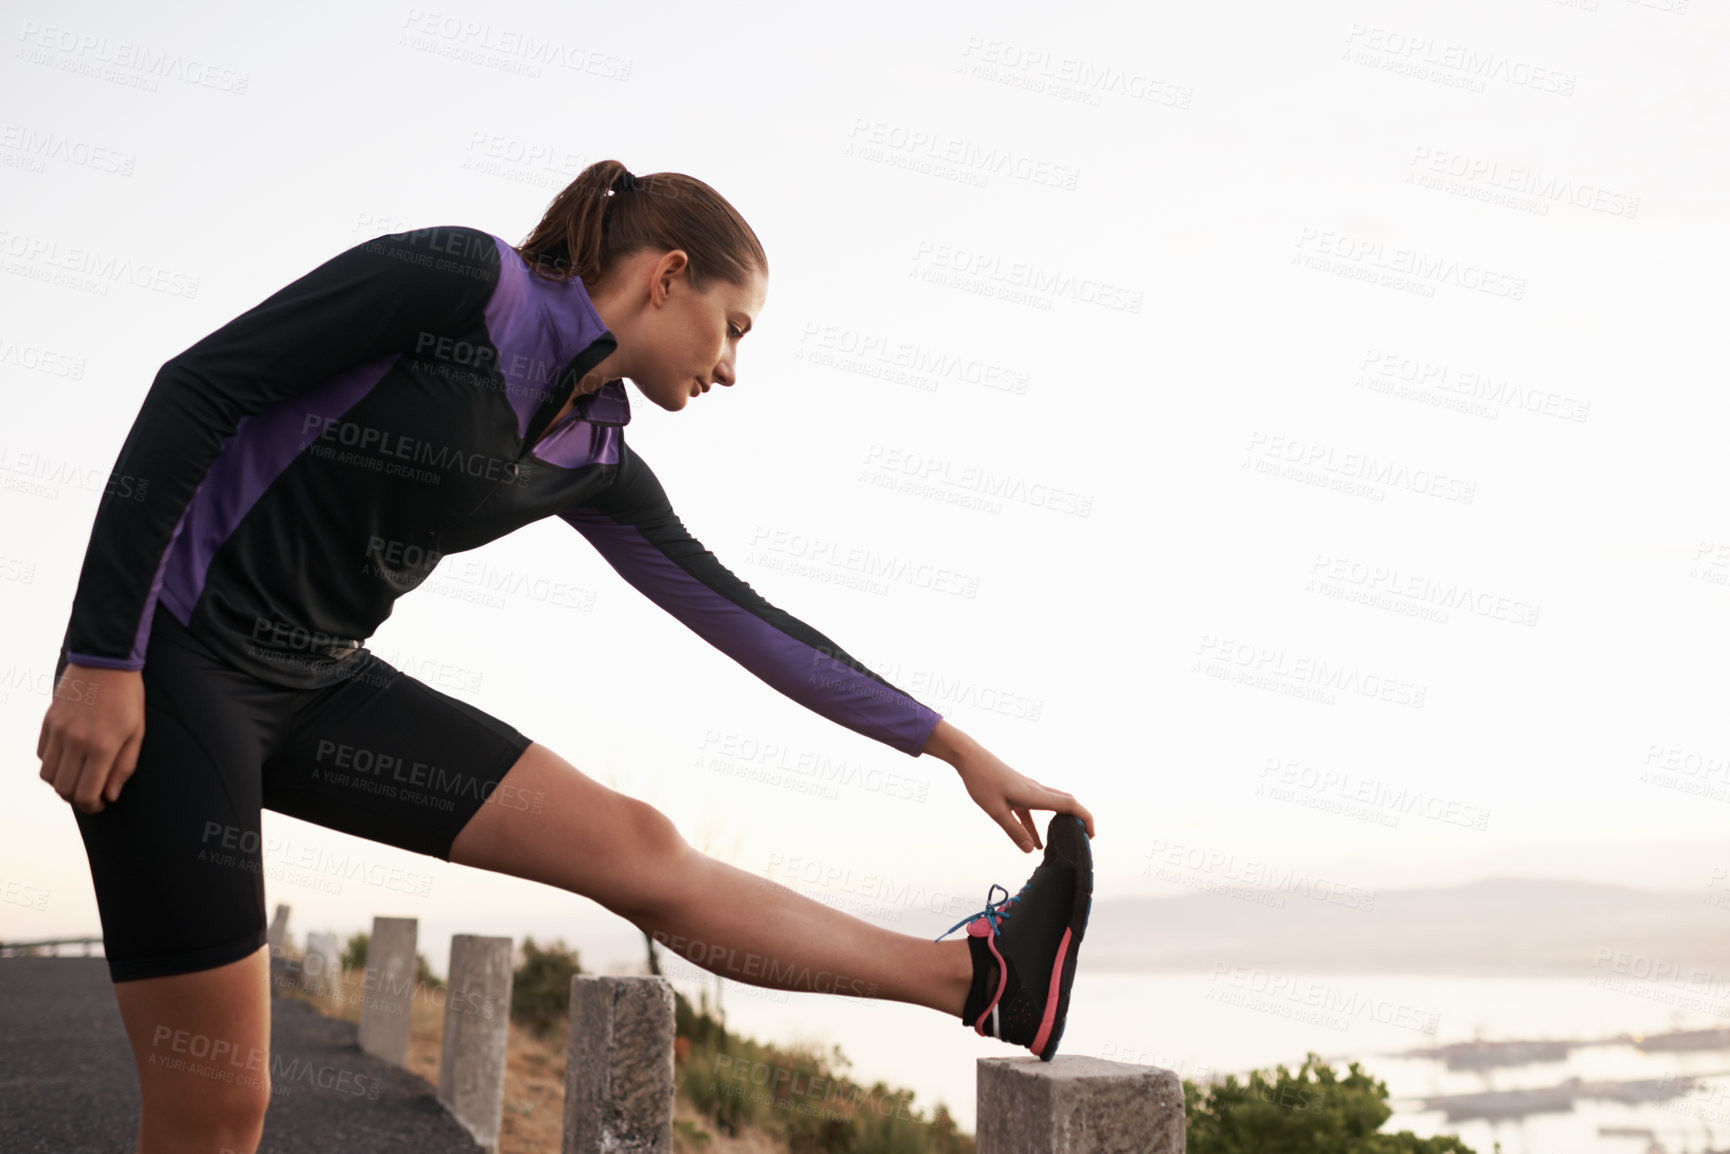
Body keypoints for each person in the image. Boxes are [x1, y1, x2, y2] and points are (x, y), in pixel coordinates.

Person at [35, 159, 1096, 1154]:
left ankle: (975, 977)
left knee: (639, 843)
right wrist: (101, 655)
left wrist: (954, 746)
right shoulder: (462, 281)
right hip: (169, 665)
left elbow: (748, 621)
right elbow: (198, 386)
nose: (729, 368)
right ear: (667, 275)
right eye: (730, 329)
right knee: (218, 1103)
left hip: (317, 678)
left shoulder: (593, 454)